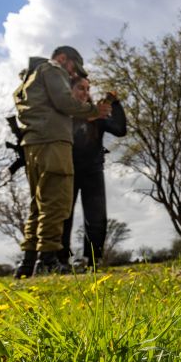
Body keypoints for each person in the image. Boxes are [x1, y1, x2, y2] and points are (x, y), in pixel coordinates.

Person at [13, 46, 112, 278]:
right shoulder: (52, 69)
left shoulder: (29, 79)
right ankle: (46, 260)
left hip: (32, 143)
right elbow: (64, 103)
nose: (72, 75)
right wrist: (93, 110)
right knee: (57, 202)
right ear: (62, 58)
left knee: (38, 204)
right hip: (53, 141)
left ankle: (28, 262)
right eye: (73, 68)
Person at [58, 77, 127, 268]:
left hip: (93, 170)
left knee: (96, 217)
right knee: (64, 216)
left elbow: (120, 129)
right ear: (69, 90)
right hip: (67, 171)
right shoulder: (62, 113)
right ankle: (61, 260)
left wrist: (116, 103)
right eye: (80, 88)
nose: (85, 92)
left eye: (88, 89)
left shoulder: (97, 115)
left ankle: (93, 259)